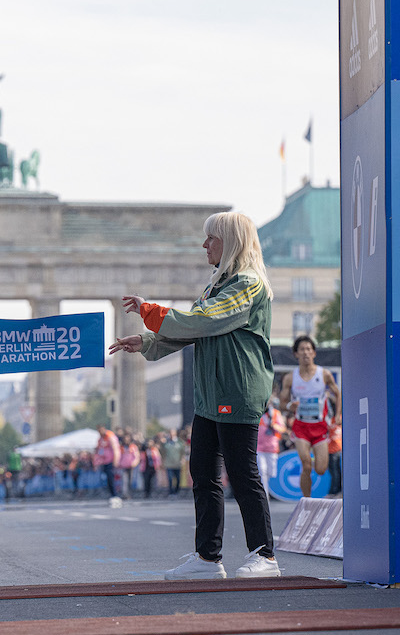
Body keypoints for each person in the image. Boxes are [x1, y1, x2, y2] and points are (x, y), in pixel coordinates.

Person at [110, 211, 280, 580]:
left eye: (211, 238)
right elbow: (197, 327)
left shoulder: (248, 284)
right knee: (202, 473)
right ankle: (207, 558)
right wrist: (148, 341)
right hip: (211, 393)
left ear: (231, 242)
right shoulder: (216, 285)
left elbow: (203, 321)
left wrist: (150, 311)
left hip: (237, 388)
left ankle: (265, 556)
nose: (204, 245)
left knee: (242, 472)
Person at [278, 334, 341, 498]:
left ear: (314, 353)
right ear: (296, 354)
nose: (305, 353)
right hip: (301, 427)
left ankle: (316, 460)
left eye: (308, 349)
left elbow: (338, 393)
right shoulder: (290, 378)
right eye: (302, 350)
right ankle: (307, 501)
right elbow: (282, 404)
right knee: (306, 465)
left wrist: (338, 415)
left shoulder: (324, 374)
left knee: (320, 469)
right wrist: (290, 406)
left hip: (320, 427)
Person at [256, 397, 287, 492]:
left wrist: (274, 426)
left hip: (272, 447)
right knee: (262, 471)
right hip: (259, 447)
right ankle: (264, 494)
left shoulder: (275, 414)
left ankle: (265, 487)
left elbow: (283, 429)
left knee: (271, 472)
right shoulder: (257, 414)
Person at [94, 423, 120, 499]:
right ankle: (111, 494)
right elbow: (98, 451)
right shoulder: (100, 439)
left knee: (111, 478)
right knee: (106, 479)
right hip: (103, 462)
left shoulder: (110, 436)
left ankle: (114, 494)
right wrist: (96, 462)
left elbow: (116, 449)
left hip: (111, 461)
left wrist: (116, 460)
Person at [161, 429, 184, 497]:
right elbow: (162, 452)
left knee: (178, 479)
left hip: (177, 463)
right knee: (170, 479)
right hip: (169, 464)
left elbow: (182, 452)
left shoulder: (180, 442)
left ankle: (176, 491)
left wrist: (182, 459)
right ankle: (171, 492)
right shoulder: (166, 443)